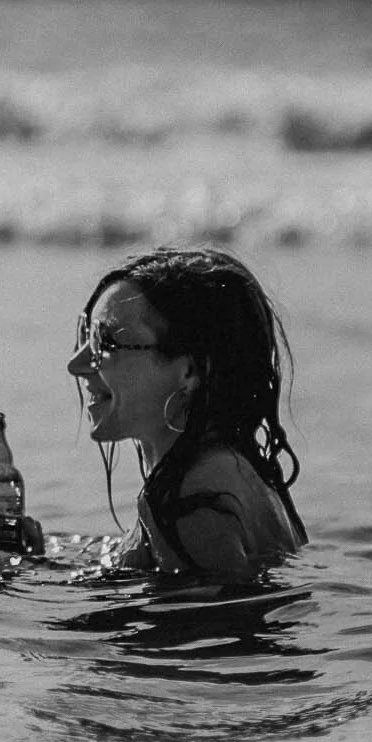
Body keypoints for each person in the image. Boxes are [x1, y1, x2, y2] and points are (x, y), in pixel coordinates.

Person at [62, 246, 306, 584]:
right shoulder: (239, 474)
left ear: (190, 371)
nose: (76, 364)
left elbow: (210, 631)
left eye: (107, 343)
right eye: (85, 336)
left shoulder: (190, 501)